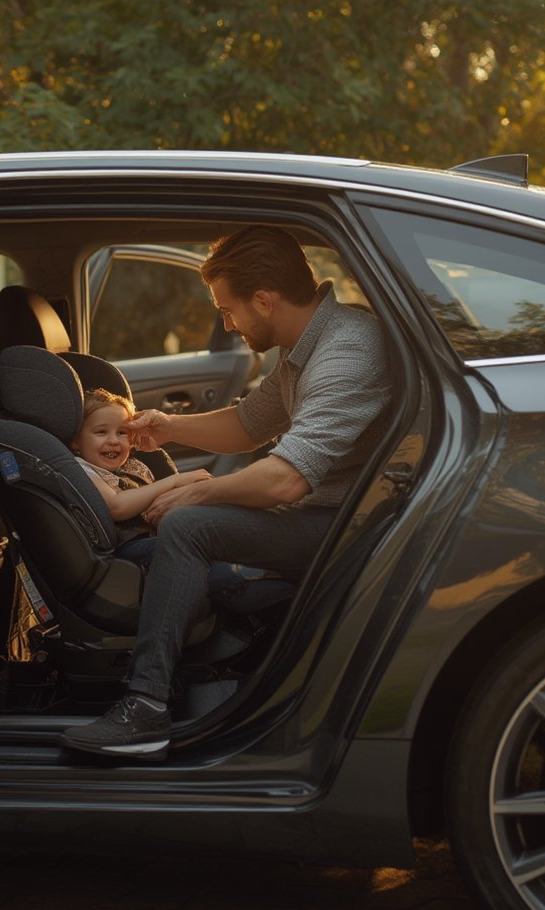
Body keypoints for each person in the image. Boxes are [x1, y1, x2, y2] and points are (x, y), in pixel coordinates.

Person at [61, 224, 394, 760]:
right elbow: (248, 426)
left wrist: (201, 495)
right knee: (195, 515)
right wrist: (169, 427)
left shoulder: (346, 352)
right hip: (321, 513)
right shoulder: (302, 348)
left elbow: (287, 477)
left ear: (264, 300)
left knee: (190, 526)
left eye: (228, 309)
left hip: (343, 527)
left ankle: (145, 706)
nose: (226, 323)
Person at [71, 386, 211, 564]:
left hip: (156, 535)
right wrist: (174, 481)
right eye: (101, 432)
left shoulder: (134, 466)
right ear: (76, 441)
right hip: (124, 549)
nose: (114, 441)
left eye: (122, 432)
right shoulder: (82, 469)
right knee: (191, 546)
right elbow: (117, 506)